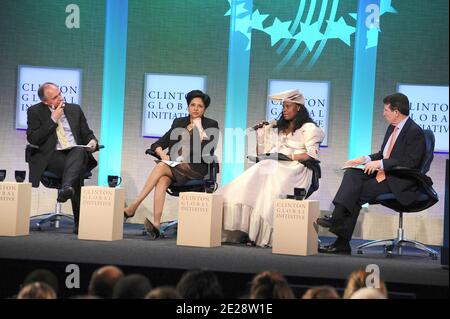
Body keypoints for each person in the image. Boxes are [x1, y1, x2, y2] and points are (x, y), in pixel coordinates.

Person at [316, 93, 426, 254]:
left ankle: (340, 239)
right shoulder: (392, 128)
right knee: (352, 173)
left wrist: (380, 164)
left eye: (386, 110)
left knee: (357, 193)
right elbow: (384, 154)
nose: (384, 113)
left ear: (396, 111)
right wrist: (365, 158)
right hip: (386, 174)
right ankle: (337, 219)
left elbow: (411, 163)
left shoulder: (415, 132)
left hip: (401, 180)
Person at [219, 89, 324, 247]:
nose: (284, 110)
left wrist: (287, 157)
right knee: (261, 168)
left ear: (299, 108)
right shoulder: (279, 128)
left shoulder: (309, 129)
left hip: (297, 169)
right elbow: (264, 153)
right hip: (274, 165)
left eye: (288, 106)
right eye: (283, 106)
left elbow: (311, 156)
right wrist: (261, 134)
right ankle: (247, 227)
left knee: (270, 169)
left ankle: (267, 233)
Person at [123, 90, 219, 239]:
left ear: (204, 109)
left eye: (200, 106)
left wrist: (198, 128)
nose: (195, 108)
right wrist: (162, 154)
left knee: (161, 166)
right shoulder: (178, 122)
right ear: (188, 107)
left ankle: (134, 206)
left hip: (195, 169)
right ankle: (156, 225)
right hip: (174, 167)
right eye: (192, 105)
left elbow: (207, 151)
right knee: (162, 178)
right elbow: (159, 143)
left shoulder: (211, 125)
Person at [27, 82, 98, 234]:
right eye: (55, 97)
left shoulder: (74, 109)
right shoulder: (34, 111)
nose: (60, 98)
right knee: (76, 170)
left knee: (78, 153)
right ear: (45, 101)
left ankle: (66, 188)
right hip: (52, 157)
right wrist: (53, 120)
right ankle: (80, 222)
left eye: (59, 94)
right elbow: (33, 139)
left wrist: (93, 142)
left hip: (74, 153)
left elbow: (87, 133)